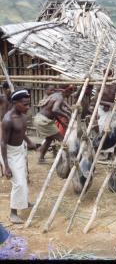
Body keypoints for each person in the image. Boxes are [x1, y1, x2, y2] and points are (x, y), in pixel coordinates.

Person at [1, 89, 37, 224]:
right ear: (15, 103)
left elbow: (21, 132)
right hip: (9, 153)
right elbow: (3, 143)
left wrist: (29, 142)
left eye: (28, 104)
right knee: (19, 183)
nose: (28, 107)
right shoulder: (8, 120)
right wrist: (6, 166)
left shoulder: (23, 116)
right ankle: (13, 213)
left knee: (23, 177)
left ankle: (24, 202)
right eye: (25, 104)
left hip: (20, 149)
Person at [34, 85, 73, 163]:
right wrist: (66, 116)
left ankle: (41, 159)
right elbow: (55, 110)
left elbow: (54, 110)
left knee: (49, 139)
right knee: (62, 139)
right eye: (70, 92)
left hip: (40, 118)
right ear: (66, 91)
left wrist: (63, 120)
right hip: (44, 121)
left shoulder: (55, 95)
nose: (70, 95)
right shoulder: (60, 97)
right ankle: (68, 160)